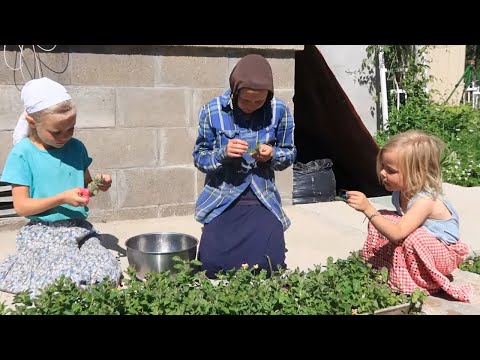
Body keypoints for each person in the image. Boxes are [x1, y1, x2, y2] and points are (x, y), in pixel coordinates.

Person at [0, 77, 122, 297]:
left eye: (71, 129)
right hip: (43, 232)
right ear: (31, 121)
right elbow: (22, 207)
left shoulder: (76, 148)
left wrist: (98, 185)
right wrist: (61, 198)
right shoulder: (23, 154)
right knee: (64, 278)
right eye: (57, 132)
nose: (65, 137)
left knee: (104, 268)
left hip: (79, 229)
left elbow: (85, 185)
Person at [193, 54, 296, 278]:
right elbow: (200, 158)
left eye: (259, 102)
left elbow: (289, 154)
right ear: (234, 91)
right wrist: (223, 153)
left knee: (271, 265)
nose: (252, 106)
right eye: (246, 100)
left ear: (268, 96)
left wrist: (272, 154)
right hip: (222, 197)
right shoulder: (212, 111)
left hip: (262, 197)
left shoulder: (279, 111)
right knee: (211, 266)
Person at [345, 130, 473, 302]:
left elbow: (398, 232)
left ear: (416, 173)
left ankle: (425, 282)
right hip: (427, 250)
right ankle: (385, 267)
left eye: (390, 170)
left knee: (410, 236)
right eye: (382, 166)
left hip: (444, 256)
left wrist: (369, 209)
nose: (382, 173)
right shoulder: (400, 192)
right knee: (384, 218)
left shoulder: (426, 200)